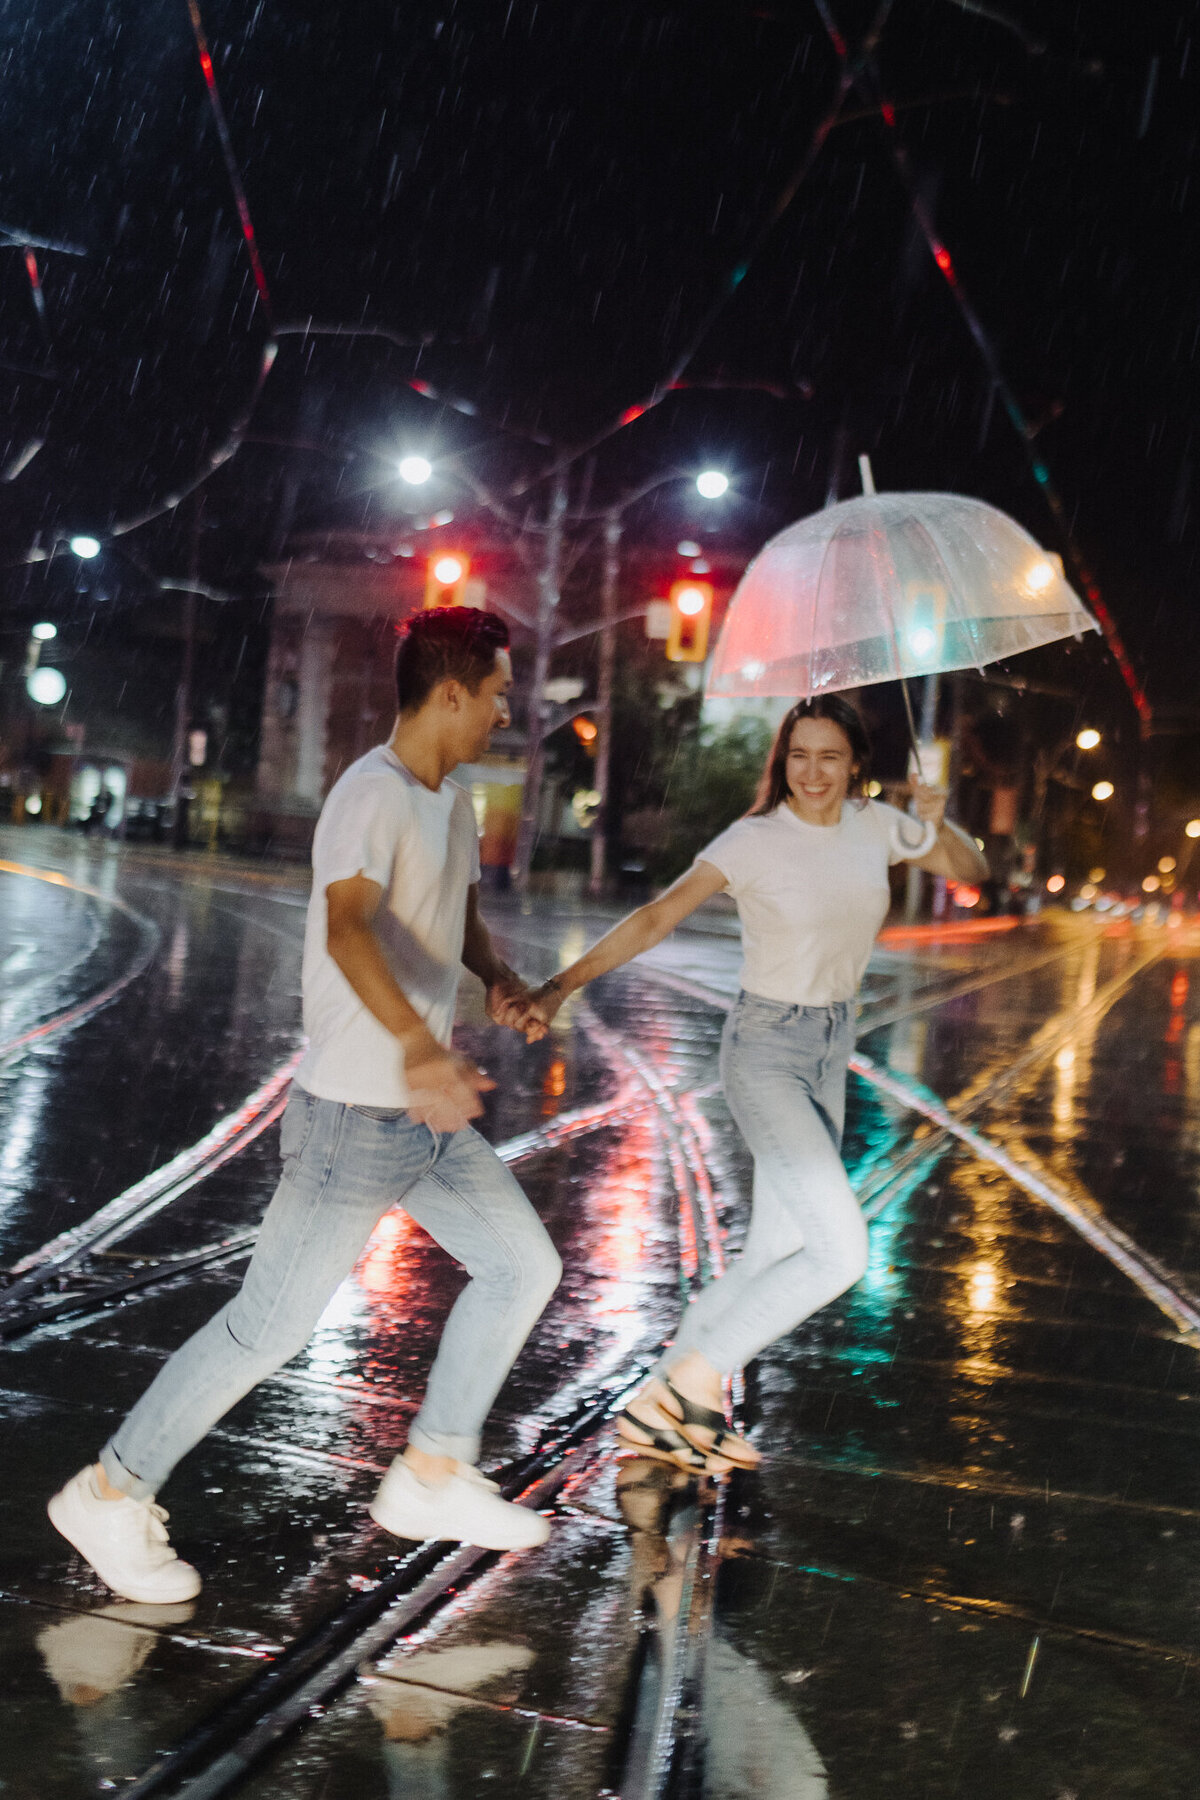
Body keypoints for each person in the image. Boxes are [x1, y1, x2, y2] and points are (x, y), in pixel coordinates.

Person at [49, 607, 563, 1603]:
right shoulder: (368, 795)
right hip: (351, 1121)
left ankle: (431, 1473)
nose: (507, 709)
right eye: (498, 690)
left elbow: (448, 913)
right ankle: (110, 1492)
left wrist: (497, 977)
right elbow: (350, 931)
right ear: (452, 691)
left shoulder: (448, 803)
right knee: (268, 1328)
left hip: (419, 1122)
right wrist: (419, 1045)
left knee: (522, 1267)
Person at [514, 696, 988, 1472]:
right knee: (839, 1254)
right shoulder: (756, 839)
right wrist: (560, 985)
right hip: (766, 1048)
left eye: (829, 756)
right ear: (783, 761)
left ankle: (663, 1403)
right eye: (798, 755)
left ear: (856, 764)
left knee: (773, 1247)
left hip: (829, 1050)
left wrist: (940, 819)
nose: (812, 772)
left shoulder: (875, 825)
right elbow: (658, 916)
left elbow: (971, 870)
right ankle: (689, 1386)